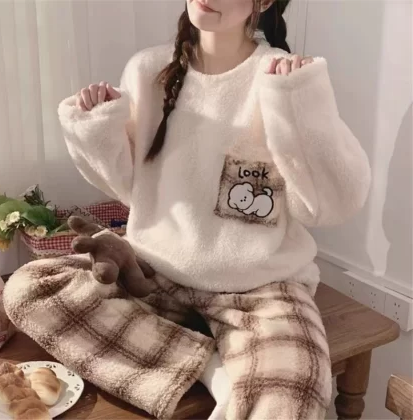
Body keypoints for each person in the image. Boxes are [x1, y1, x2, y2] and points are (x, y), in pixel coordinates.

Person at [58, 0, 371, 418]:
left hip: (258, 288)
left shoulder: (284, 77)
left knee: (294, 396)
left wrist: (300, 104)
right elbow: (128, 185)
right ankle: (209, 367)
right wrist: (95, 123)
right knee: (33, 290)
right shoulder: (147, 70)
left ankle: (180, 355)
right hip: (154, 275)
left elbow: (328, 206)